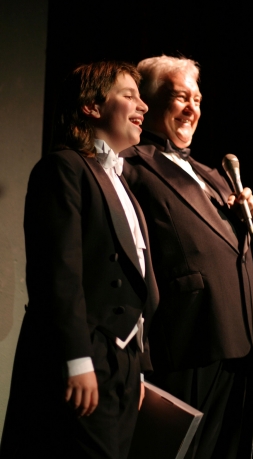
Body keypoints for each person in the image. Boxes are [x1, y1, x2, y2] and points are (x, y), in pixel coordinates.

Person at [0, 61, 158, 459]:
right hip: (86, 352)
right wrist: (77, 357)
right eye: (129, 96)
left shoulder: (124, 185)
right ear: (91, 106)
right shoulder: (64, 168)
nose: (143, 107)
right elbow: (59, 273)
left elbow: (136, 282)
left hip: (122, 362)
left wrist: (136, 363)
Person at [121, 55, 253, 459]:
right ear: (147, 103)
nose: (192, 109)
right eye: (180, 97)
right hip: (185, 334)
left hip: (239, 333)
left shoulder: (214, 174)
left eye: (197, 99)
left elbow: (238, 253)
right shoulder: (129, 166)